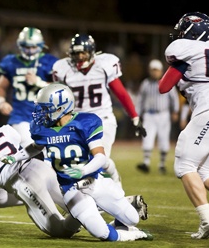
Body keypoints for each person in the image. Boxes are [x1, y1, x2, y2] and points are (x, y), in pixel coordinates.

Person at [0, 83, 153, 241]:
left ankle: (123, 226)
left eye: (46, 108)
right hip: (71, 189)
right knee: (101, 233)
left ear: (61, 107)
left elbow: (100, 157)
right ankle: (135, 235)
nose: (41, 113)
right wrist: (15, 157)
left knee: (132, 218)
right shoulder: (43, 129)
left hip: (94, 181)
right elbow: (35, 147)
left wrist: (83, 171)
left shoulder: (84, 122)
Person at [52, 34, 146, 186]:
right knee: (81, 160)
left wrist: (134, 117)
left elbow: (121, 93)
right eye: (76, 53)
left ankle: (108, 190)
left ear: (92, 52)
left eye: (83, 53)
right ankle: (111, 183)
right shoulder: (63, 69)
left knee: (97, 159)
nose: (80, 57)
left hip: (102, 119)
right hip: (78, 122)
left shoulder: (104, 65)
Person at [0, 123, 82, 237]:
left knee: (60, 231)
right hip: (40, 166)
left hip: (24, 180)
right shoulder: (5, 130)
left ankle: (76, 219)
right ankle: (86, 210)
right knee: (77, 203)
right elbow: (30, 151)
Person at [158, 11, 209, 239]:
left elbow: (163, 86)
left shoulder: (186, 50)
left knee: (184, 164)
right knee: (204, 171)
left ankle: (207, 220)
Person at [0, 26, 57, 148]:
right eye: (26, 47)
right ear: (20, 45)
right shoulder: (11, 62)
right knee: (30, 147)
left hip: (46, 116)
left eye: (33, 47)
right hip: (20, 116)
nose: (29, 51)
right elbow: (1, 86)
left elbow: (60, 89)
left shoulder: (48, 62)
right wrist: (1, 102)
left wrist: (39, 83)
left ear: (41, 46)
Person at [136, 59, 179, 174]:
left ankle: (162, 164)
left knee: (164, 139)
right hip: (149, 114)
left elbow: (174, 97)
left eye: (156, 70)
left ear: (161, 71)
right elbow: (140, 99)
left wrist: (175, 111)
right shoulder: (146, 83)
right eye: (152, 70)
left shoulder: (166, 81)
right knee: (147, 138)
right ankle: (146, 163)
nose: (154, 73)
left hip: (163, 114)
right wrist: (136, 114)